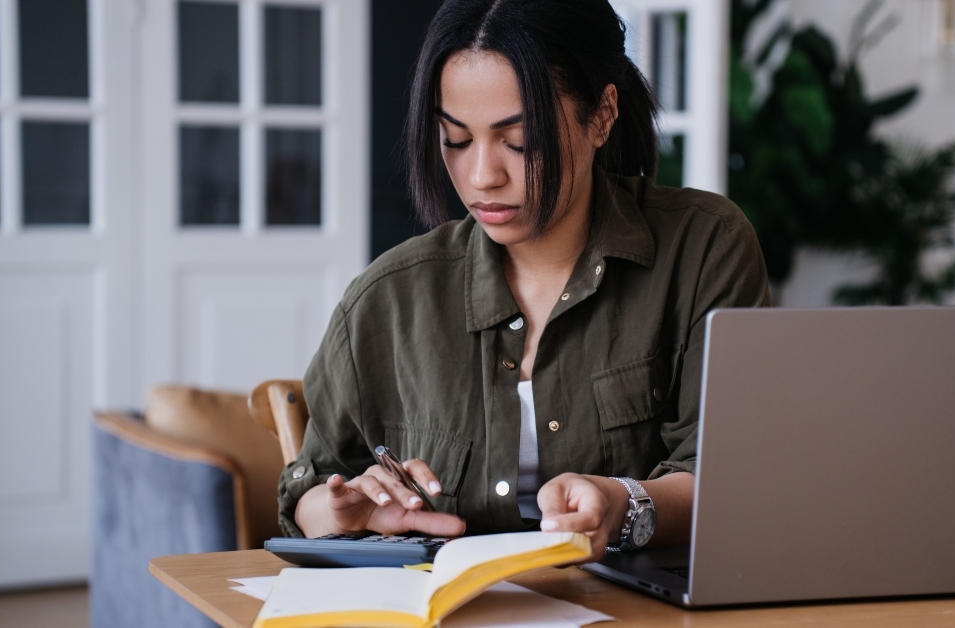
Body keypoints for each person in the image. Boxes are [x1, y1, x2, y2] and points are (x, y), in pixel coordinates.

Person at [278, 0, 769, 560]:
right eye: (456, 140)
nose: (483, 175)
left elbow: (731, 478)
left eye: (520, 140)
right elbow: (308, 492)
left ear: (602, 114)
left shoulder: (704, 249)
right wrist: (341, 510)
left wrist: (624, 502)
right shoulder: (387, 301)